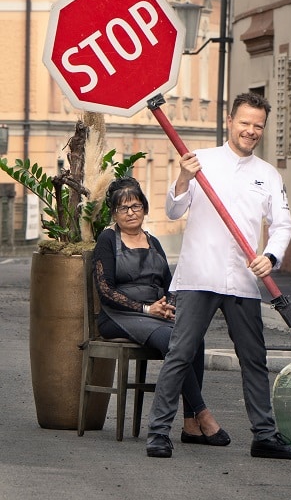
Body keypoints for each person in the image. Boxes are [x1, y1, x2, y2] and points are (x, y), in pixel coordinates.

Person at [145, 92, 291, 460]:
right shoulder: (199, 162)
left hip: (244, 279)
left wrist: (270, 256)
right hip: (199, 274)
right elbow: (172, 211)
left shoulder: (268, 174)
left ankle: (264, 436)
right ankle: (158, 433)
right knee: (180, 354)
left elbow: (282, 225)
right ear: (230, 120)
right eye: (244, 122)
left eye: (258, 126)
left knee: (254, 358)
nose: (250, 130)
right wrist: (184, 178)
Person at [93, 177, 228, 446]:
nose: (131, 213)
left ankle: (190, 424)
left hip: (154, 315)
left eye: (135, 206)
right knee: (172, 341)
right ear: (114, 213)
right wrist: (146, 308)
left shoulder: (153, 241)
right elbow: (104, 289)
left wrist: (169, 307)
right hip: (118, 316)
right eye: (123, 208)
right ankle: (202, 413)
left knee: (193, 337)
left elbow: (170, 284)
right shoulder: (108, 240)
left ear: (144, 207)